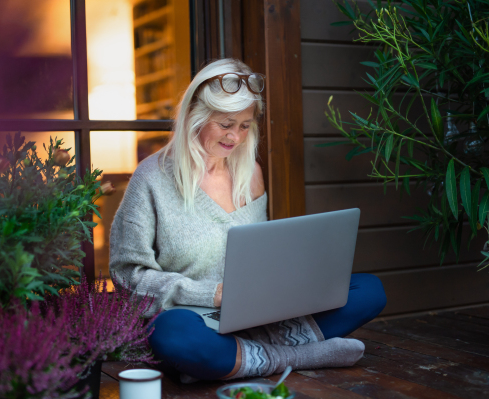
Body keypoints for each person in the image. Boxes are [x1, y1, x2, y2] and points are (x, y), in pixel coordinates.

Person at [109, 58, 387, 381]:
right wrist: (211, 294)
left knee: (370, 290)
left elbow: (260, 256)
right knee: (170, 333)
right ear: (195, 116)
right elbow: (127, 276)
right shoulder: (151, 179)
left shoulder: (251, 174)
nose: (236, 137)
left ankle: (235, 359)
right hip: (194, 317)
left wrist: (289, 284)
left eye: (244, 126)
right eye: (226, 124)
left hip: (259, 317)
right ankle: (297, 355)